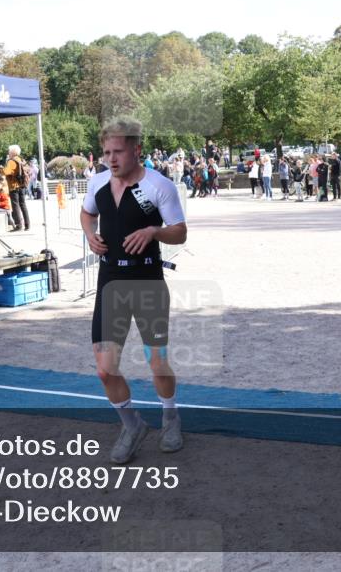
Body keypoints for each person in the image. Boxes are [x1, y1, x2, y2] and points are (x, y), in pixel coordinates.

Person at [80, 117, 188, 464]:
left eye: (118, 152)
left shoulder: (159, 186)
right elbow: (86, 213)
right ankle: (132, 425)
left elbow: (180, 231)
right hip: (110, 281)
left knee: (156, 361)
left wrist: (154, 232)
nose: (111, 159)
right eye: (106, 152)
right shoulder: (97, 183)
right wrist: (89, 234)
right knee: (104, 369)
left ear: (136, 150)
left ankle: (170, 416)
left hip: (147, 281)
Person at [3, 145, 31, 233]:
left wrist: (0, 169)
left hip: (14, 186)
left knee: (15, 206)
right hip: (22, 185)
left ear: (13, 152)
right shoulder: (21, 160)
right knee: (23, 204)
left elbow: (6, 172)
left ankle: (19, 225)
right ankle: (27, 224)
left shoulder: (11, 161)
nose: (8, 152)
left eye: (9, 151)